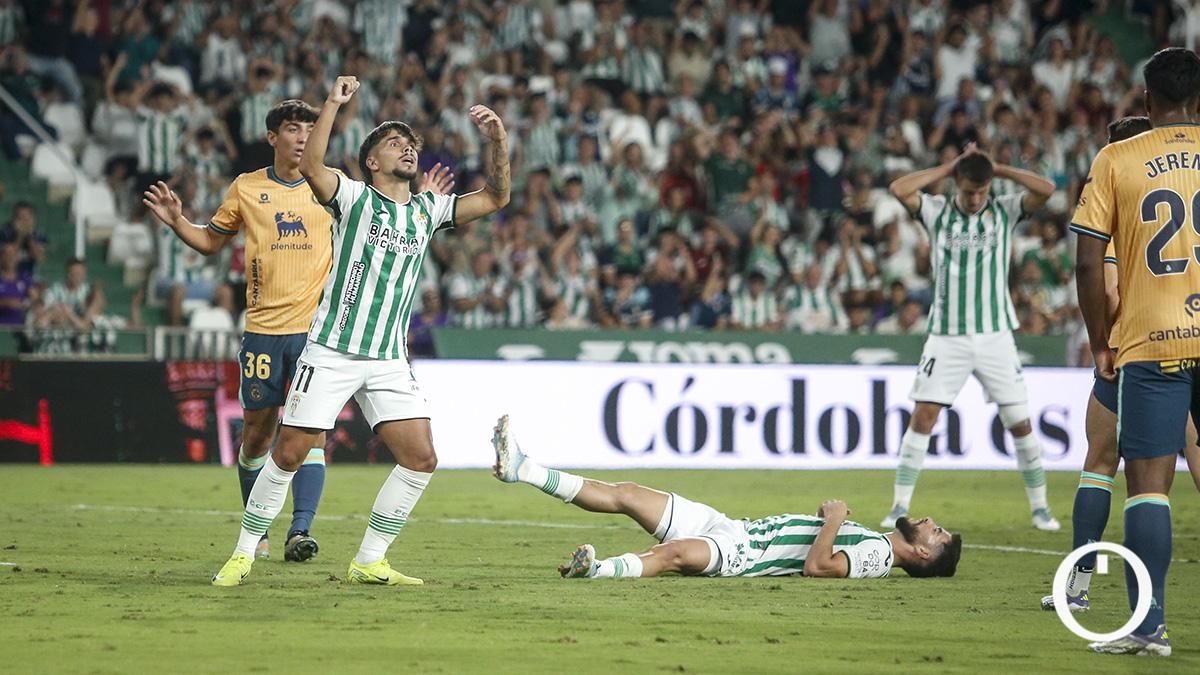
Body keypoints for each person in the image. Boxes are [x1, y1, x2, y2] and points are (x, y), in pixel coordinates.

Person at [211, 76, 510, 587]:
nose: (408, 149)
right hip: (330, 350)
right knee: (287, 454)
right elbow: (309, 166)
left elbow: (498, 197)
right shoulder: (350, 198)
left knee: (421, 459)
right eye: (396, 143)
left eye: (411, 144)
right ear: (372, 161)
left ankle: (369, 558)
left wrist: (499, 142)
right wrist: (331, 104)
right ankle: (242, 552)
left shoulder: (428, 210)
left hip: (389, 358)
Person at [145, 98, 454, 564]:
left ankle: (300, 530)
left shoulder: (336, 190)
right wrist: (177, 223)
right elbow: (210, 241)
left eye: (309, 129)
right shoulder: (247, 189)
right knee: (258, 436)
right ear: (273, 137)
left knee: (310, 437)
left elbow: (387, 219)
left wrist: (424, 198)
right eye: (292, 129)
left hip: (320, 333)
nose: (302, 137)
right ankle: (258, 528)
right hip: (264, 330)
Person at [1042, 115, 1200, 617]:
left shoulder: (1120, 205)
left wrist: (1103, 339)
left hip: (1140, 351)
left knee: (1104, 465)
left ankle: (1078, 589)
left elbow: (1107, 287)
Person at [1070, 48, 1200, 657]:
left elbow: (1089, 258)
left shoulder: (1117, 157)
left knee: (1149, 487)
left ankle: (1148, 628)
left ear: (1147, 100)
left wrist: (1100, 340)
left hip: (1153, 339)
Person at [490, 415, 961, 580]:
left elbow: (817, 569)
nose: (929, 520)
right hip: (736, 527)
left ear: (922, 553)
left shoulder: (879, 558)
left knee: (672, 555)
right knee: (629, 494)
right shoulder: (876, 543)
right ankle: (524, 469)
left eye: (935, 533)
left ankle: (596, 571)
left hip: (743, 553)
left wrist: (834, 518)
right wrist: (828, 521)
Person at [881, 143, 1061, 532]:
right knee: (923, 417)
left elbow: (1046, 189)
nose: (976, 198)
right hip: (946, 337)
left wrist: (1000, 167)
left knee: (1019, 421)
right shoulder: (936, 212)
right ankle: (898, 506)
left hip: (995, 335)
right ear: (956, 186)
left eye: (981, 191)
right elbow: (899, 189)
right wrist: (948, 165)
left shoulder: (1004, 210)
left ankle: (1041, 507)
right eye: (968, 191)